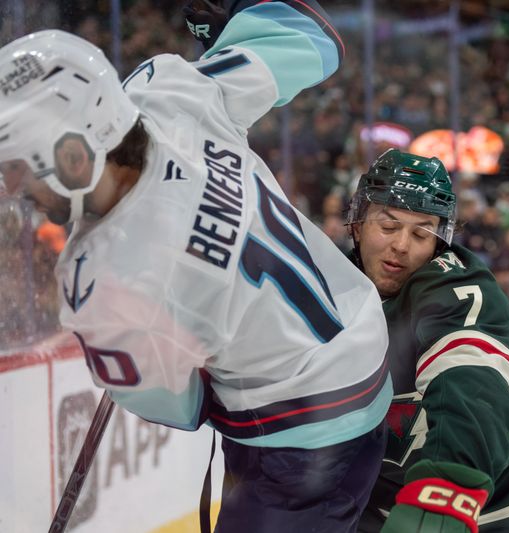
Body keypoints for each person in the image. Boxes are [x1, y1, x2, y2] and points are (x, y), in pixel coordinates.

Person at [0, 2, 392, 531]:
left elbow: (181, 405)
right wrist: (239, 16)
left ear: (72, 157)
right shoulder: (169, 91)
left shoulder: (97, 285)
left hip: (299, 446)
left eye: (19, 170)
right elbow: (312, 37)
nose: (14, 190)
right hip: (363, 355)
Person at [347, 149, 509, 532]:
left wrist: (446, 489)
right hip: (388, 506)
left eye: (421, 233)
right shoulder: (329, 291)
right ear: (358, 222)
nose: (402, 244)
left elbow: (471, 379)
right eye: (388, 226)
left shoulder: (452, 284)